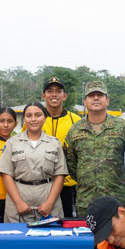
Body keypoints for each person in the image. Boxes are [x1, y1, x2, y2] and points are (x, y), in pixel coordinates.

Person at [64, 80, 125, 216]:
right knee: (87, 236)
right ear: (85, 101)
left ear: (107, 100)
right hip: (86, 201)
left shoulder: (122, 127)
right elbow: (71, 163)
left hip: (116, 199)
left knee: (119, 236)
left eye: (100, 95)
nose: (95, 98)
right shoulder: (75, 130)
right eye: (91, 95)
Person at [0, 102, 67, 222]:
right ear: (24, 120)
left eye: (38, 115)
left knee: (51, 238)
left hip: (48, 200)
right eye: (29, 116)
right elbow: (6, 174)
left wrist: (49, 203)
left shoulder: (55, 143)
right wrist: (19, 202)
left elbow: (60, 175)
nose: (33, 119)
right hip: (18, 201)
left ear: (45, 118)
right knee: (17, 238)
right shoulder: (12, 143)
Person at [40, 76, 81, 217]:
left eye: (58, 91)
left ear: (65, 96)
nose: (54, 95)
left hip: (68, 186)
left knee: (68, 226)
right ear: (43, 96)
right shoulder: (35, 120)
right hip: (42, 185)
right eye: (50, 91)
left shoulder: (75, 121)